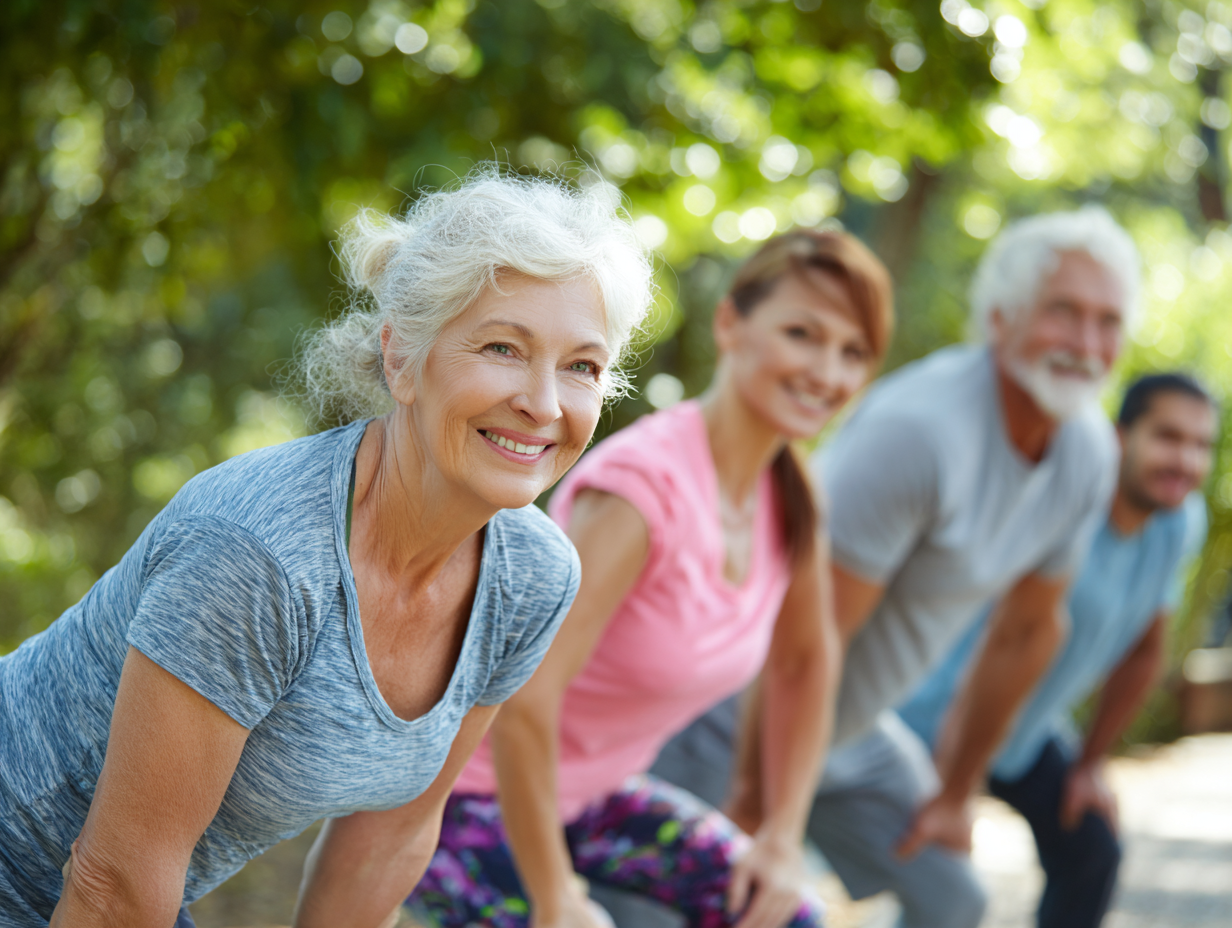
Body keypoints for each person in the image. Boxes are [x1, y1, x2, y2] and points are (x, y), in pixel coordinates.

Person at [0, 169, 655, 928]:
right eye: (504, 348)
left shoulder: (533, 577)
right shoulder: (260, 552)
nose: (544, 404)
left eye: (581, 366)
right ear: (401, 360)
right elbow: (115, 885)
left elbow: (391, 837)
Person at [644, 206, 1138, 928]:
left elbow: (1028, 632)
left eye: (1107, 322)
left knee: (952, 898)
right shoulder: (922, 432)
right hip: (734, 713)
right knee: (697, 912)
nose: (1087, 344)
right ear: (1001, 319)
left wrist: (955, 792)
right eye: (1063, 312)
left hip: (852, 730)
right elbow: (801, 646)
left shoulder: (1088, 449)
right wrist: (755, 807)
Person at [406, 229, 895, 928]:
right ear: (731, 323)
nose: (827, 370)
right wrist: (556, 898)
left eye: (854, 353)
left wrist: (783, 838)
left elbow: (805, 664)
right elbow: (523, 702)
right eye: (802, 333)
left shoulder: (792, 495)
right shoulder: (642, 492)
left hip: (596, 795)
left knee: (786, 914)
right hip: (469, 800)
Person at [898, 372, 1217, 928]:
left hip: (1026, 731)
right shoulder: (1065, 501)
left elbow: (1145, 652)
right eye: (1168, 437)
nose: (1185, 460)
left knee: (1090, 850)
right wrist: (955, 790)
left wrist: (1089, 764)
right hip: (944, 719)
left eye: (1201, 445)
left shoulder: (1180, 522)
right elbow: (1007, 641)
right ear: (1121, 438)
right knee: (941, 888)